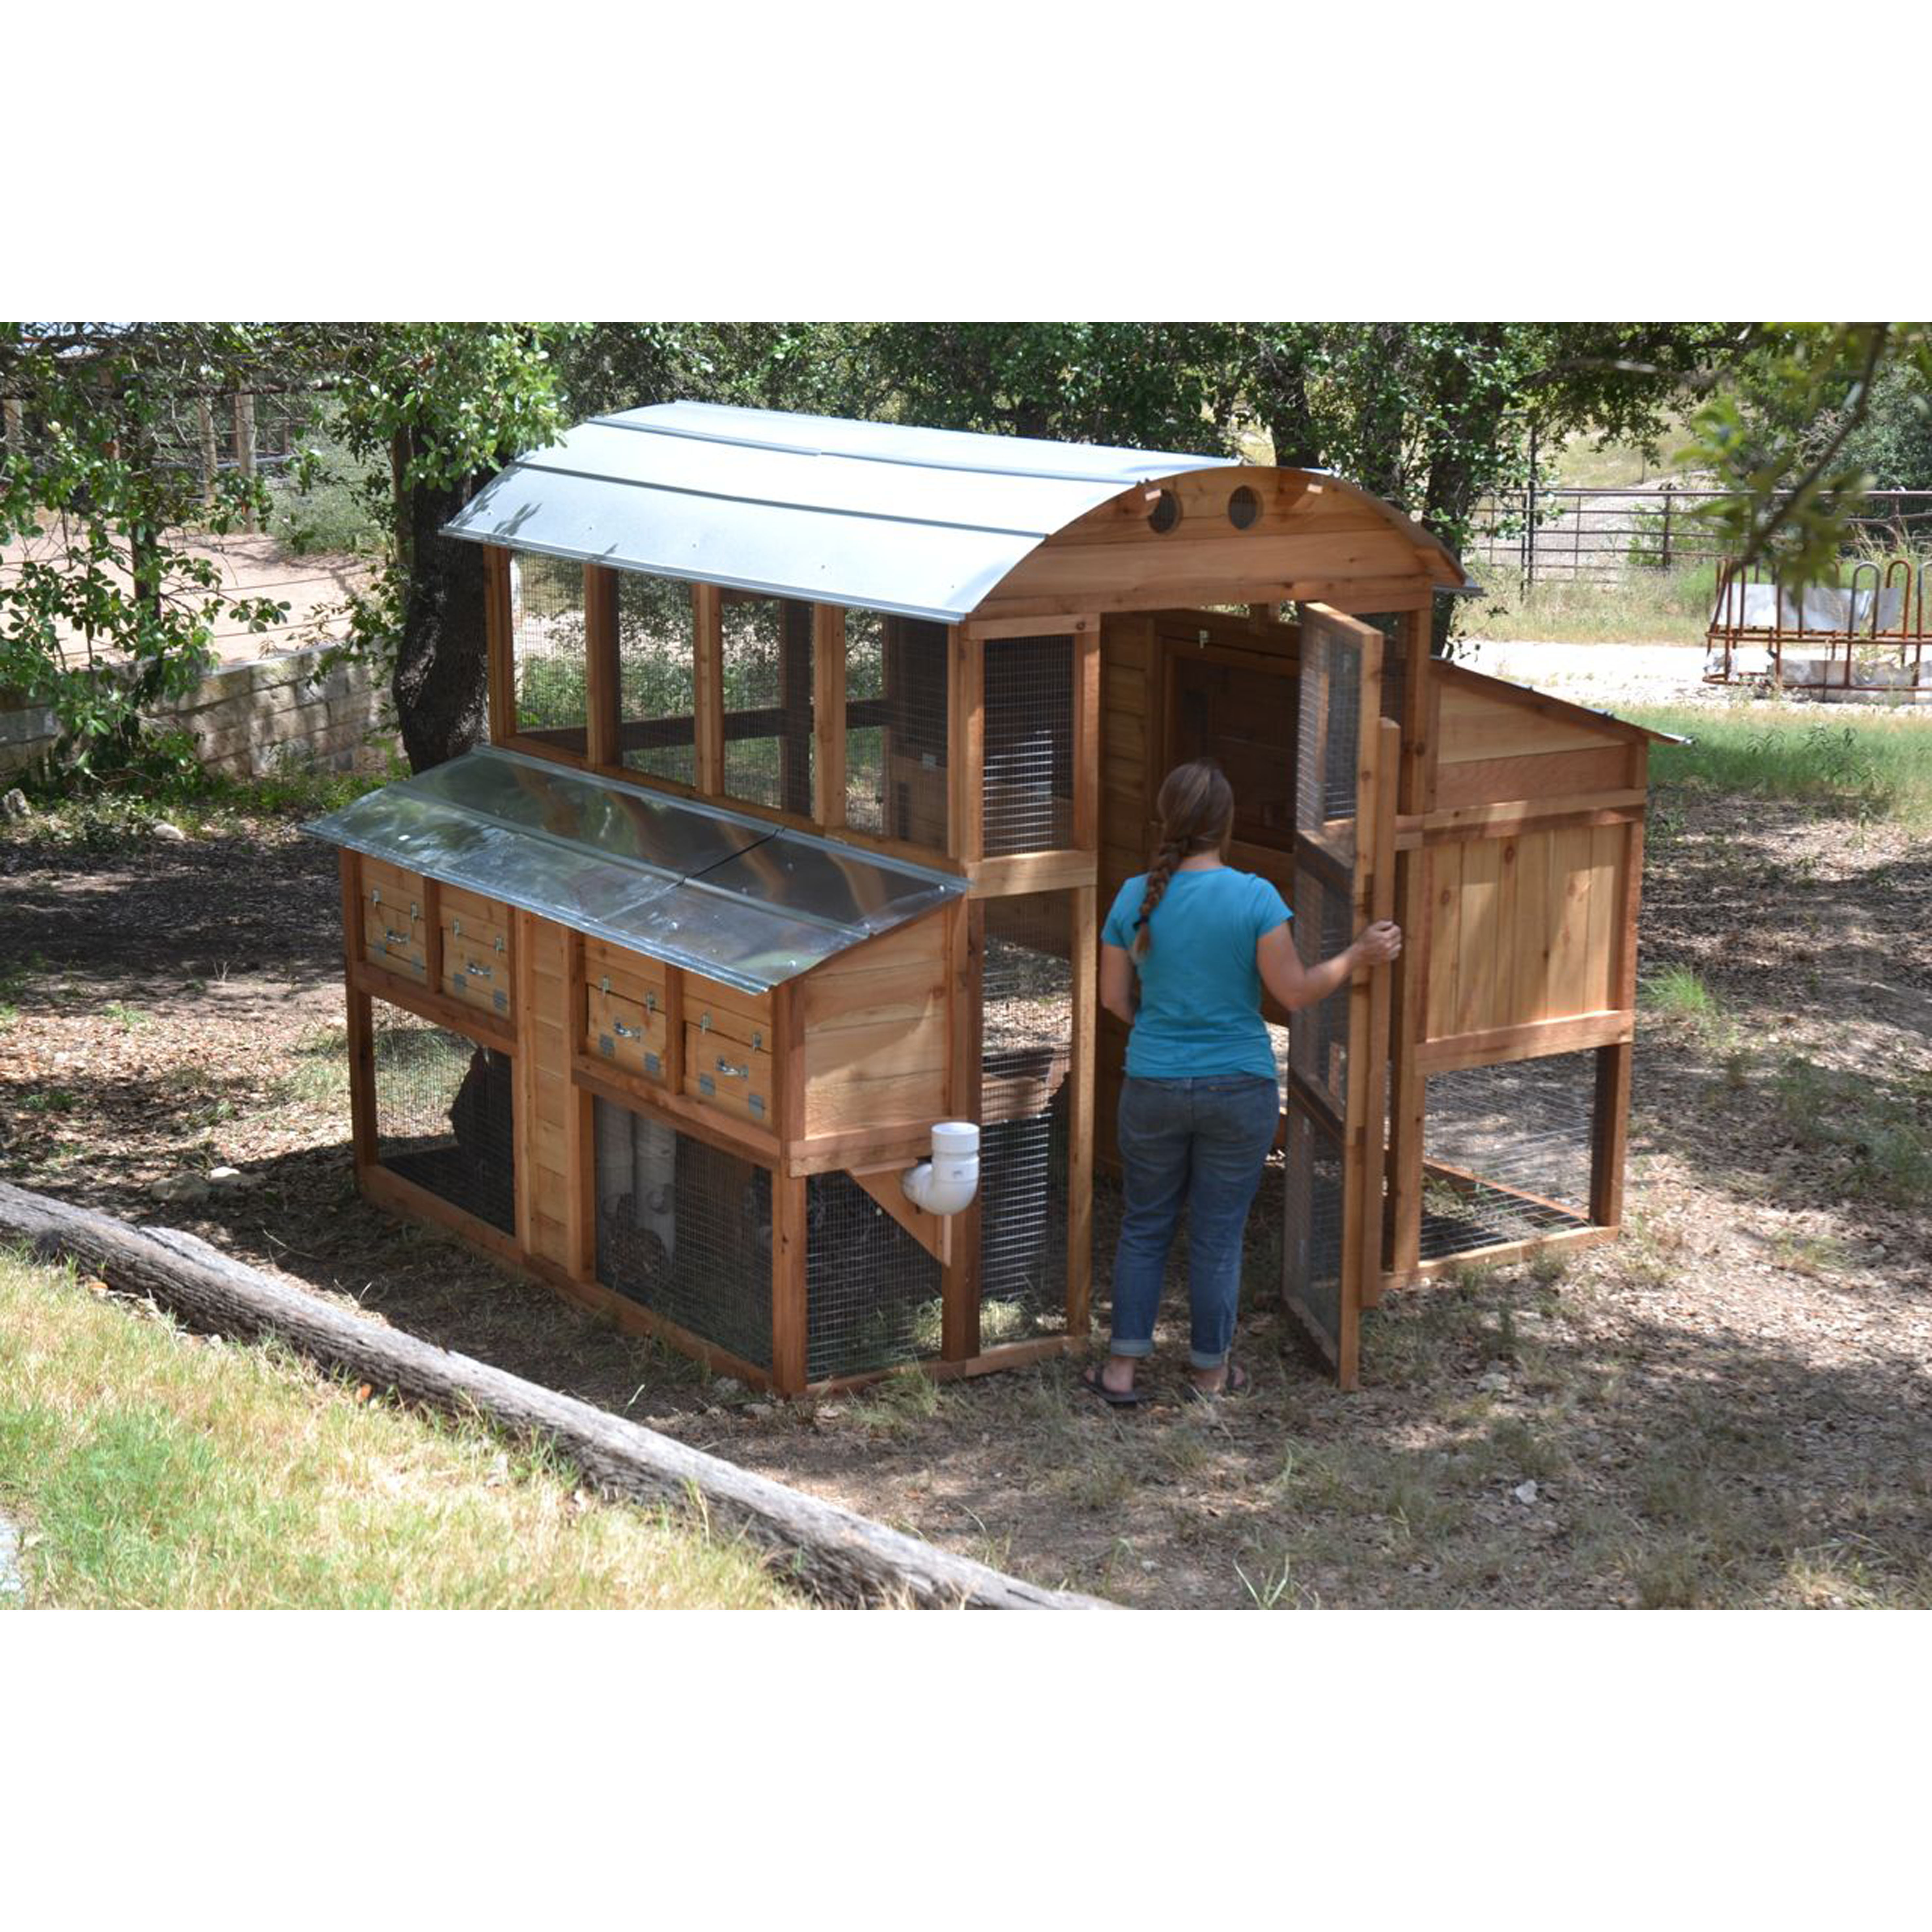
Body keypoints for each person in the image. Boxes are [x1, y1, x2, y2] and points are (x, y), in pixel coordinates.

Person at [1084, 758, 1401, 1406]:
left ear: (1165, 819)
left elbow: (1113, 998)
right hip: (1238, 1089)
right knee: (1217, 1233)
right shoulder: (1255, 898)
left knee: (1145, 1225)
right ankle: (1208, 1373)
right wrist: (1357, 954)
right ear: (1226, 824)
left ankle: (1119, 1372)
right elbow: (1295, 991)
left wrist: (1162, 1032)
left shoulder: (1133, 897)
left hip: (1152, 1085)